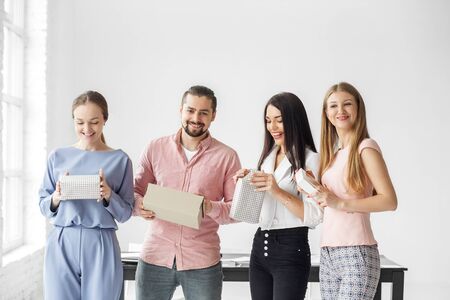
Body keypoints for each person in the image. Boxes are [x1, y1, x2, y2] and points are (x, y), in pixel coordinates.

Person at [133, 85, 241, 300]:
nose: (196, 118)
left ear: (213, 116)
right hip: (155, 257)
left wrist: (210, 206)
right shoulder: (155, 148)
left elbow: (236, 210)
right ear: (180, 111)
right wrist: (139, 206)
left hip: (202, 262)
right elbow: (136, 191)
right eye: (190, 110)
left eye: (203, 113)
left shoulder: (227, 156)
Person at [38, 91, 134, 300]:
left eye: (94, 122)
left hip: (101, 242)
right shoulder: (57, 156)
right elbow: (43, 205)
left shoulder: (120, 159)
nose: (87, 129)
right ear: (73, 120)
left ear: (104, 120)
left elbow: (126, 213)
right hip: (62, 241)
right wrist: (56, 197)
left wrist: (109, 195)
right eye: (80, 122)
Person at [313, 82, 397, 299]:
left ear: (358, 108)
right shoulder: (334, 155)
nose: (340, 111)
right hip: (328, 252)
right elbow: (330, 202)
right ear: (326, 113)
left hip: (357, 251)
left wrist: (340, 203)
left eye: (347, 104)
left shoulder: (366, 147)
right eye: (333, 106)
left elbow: (389, 200)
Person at [235, 92, 323, 300]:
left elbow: (314, 216)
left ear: (294, 120)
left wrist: (275, 189)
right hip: (260, 246)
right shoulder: (267, 157)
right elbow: (261, 208)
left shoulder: (311, 160)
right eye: (268, 121)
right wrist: (247, 181)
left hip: (291, 248)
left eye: (279, 120)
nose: (272, 127)